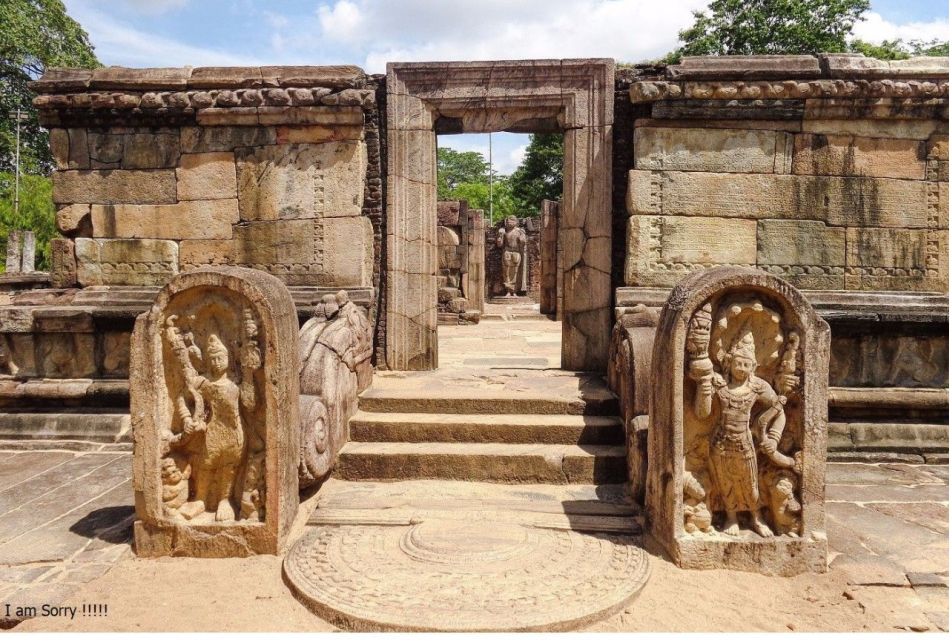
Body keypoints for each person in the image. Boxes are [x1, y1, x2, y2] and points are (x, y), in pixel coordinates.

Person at [691, 330, 782, 537]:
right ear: (729, 363)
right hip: (721, 442)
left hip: (745, 442)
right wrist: (704, 387)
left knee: (750, 483)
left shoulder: (758, 387)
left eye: (746, 365)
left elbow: (779, 410)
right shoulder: (720, 386)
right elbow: (701, 413)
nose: (741, 369)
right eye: (738, 363)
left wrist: (774, 437)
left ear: (754, 367)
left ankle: (757, 517)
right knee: (725, 482)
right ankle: (731, 517)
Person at [496, 216, 526, 296]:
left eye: (512, 221)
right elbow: (499, 245)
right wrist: (500, 236)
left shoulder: (519, 231)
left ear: (516, 222)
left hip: (516, 252)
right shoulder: (504, 231)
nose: (510, 222)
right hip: (507, 251)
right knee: (507, 271)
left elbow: (523, 244)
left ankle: (514, 290)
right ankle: (508, 290)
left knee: (516, 271)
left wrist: (522, 238)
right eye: (509, 221)